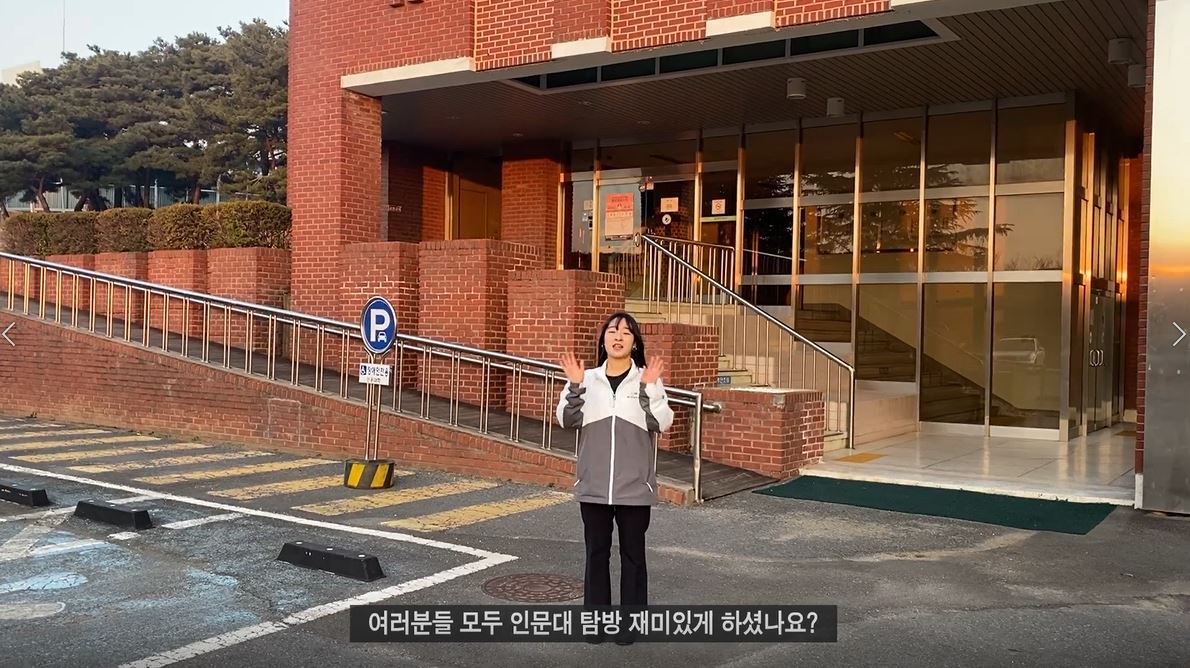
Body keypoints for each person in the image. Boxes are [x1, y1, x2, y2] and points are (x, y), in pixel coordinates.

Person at [556, 311, 674, 645]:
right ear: (603, 339)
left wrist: (649, 389)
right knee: (596, 554)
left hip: (634, 489)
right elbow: (566, 419)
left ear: (634, 343)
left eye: (625, 332)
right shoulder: (586, 378)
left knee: (633, 557)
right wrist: (575, 386)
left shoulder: (646, 379)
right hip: (593, 486)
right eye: (612, 331)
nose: (618, 337)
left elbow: (662, 423)